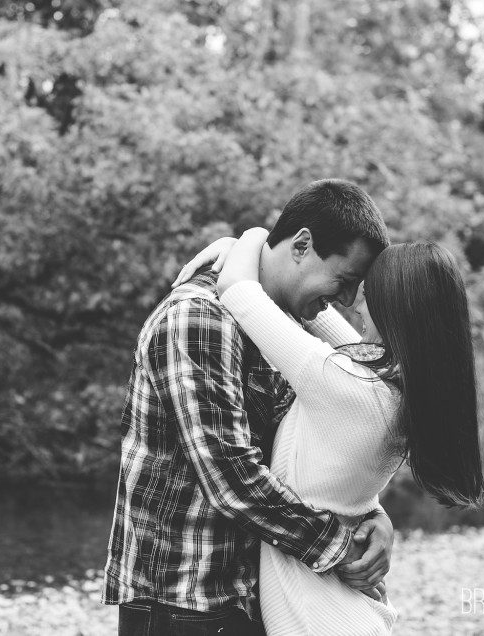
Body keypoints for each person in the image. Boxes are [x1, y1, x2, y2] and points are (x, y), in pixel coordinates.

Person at [103, 179, 397, 635]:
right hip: (185, 603)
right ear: (302, 245)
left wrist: (370, 513)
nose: (344, 301)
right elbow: (230, 475)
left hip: (246, 596)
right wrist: (341, 550)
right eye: (344, 281)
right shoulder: (199, 318)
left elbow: (327, 440)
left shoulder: (286, 324)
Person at [175, 227, 484, 634]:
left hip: (319, 617)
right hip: (341, 613)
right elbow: (320, 319)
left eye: (367, 296)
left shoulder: (346, 385)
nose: (354, 307)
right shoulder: (393, 386)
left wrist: (251, 238)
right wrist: (375, 513)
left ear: (394, 311)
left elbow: (238, 290)